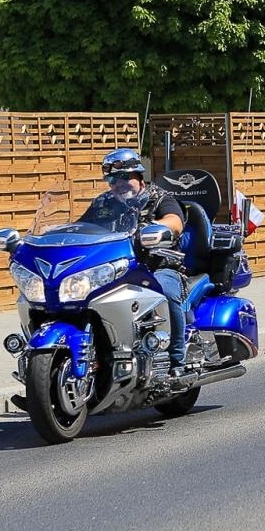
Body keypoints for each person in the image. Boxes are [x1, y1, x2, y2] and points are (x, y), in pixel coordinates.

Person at [96, 148, 190, 372]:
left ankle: (177, 359)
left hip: (158, 267)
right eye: (111, 180)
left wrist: (157, 227)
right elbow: (84, 227)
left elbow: (175, 221)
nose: (117, 184)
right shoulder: (104, 203)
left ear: (138, 175)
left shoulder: (160, 198)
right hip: (118, 268)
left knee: (164, 293)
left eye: (122, 178)